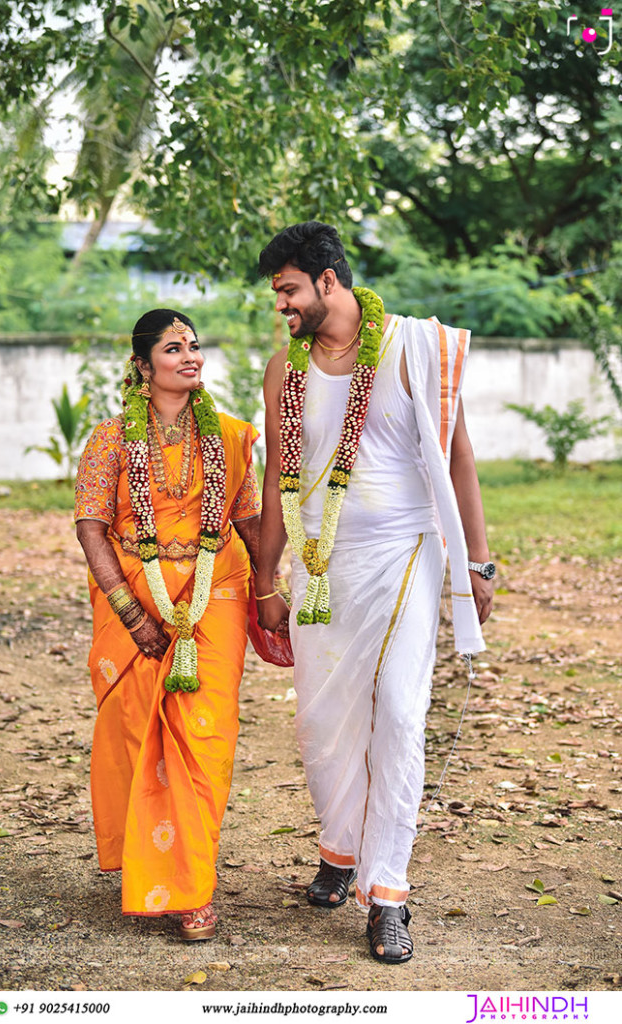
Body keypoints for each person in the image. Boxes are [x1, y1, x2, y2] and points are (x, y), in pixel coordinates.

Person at [255, 222, 494, 964]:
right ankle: (339, 846)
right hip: (322, 568)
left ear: (329, 281)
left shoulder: (414, 348)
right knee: (324, 728)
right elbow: (274, 480)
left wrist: (477, 562)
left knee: (397, 714)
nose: (282, 308)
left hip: (405, 557)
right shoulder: (282, 371)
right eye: (276, 296)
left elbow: (456, 453)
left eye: (290, 291)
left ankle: (386, 891)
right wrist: (266, 578)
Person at [74, 308, 261, 941]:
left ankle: (192, 889)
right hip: (135, 596)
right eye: (174, 347)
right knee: (137, 732)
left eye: (195, 346)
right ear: (142, 365)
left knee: (204, 739)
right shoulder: (109, 439)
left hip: (219, 593)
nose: (192, 356)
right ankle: (153, 860)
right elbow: (92, 529)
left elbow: (252, 522)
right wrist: (130, 611)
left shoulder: (232, 438)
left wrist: (273, 589)